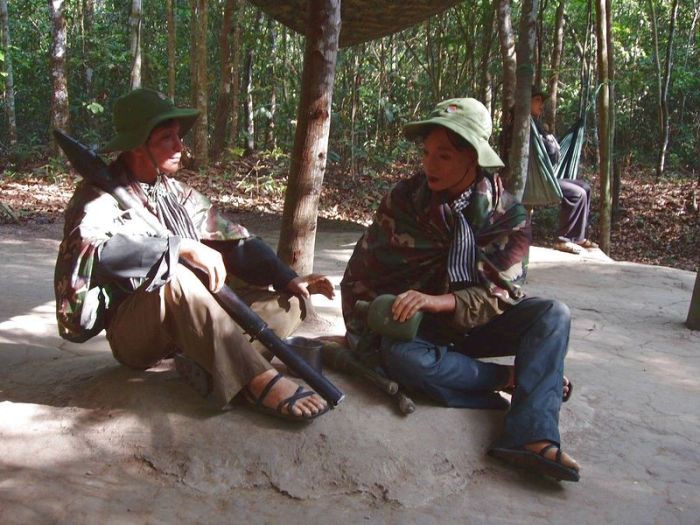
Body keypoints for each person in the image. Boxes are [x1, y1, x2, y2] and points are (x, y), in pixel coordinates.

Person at [54, 88, 335, 422]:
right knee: (177, 275)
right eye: (166, 138)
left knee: (290, 306)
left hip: (194, 319)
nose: (179, 146)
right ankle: (257, 379)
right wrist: (179, 247)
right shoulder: (98, 195)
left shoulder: (174, 192)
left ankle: (207, 361)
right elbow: (95, 254)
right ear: (135, 145)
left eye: (178, 136)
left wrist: (286, 277)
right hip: (139, 328)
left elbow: (234, 240)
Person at [340, 98, 580, 482]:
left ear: (473, 159)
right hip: (419, 329)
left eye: (444, 156)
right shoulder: (404, 201)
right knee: (401, 357)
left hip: (477, 322)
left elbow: (502, 292)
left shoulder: (508, 214)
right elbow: (366, 273)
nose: (429, 165)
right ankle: (507, 380)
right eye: (426, 153)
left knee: (553, 315)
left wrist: (440, 301)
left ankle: (531, 435)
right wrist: (368, 330)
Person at [530, 90, 597, 254]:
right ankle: (563, 239)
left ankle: (578, 237)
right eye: (537, 100)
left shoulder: (536, 124)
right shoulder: (525, 124)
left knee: (585, 187)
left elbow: (551, 153)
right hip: (536, 180)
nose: (542, 104)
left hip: (547, 175)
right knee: (577, 194)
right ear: (527, 101)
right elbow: (549, 150)